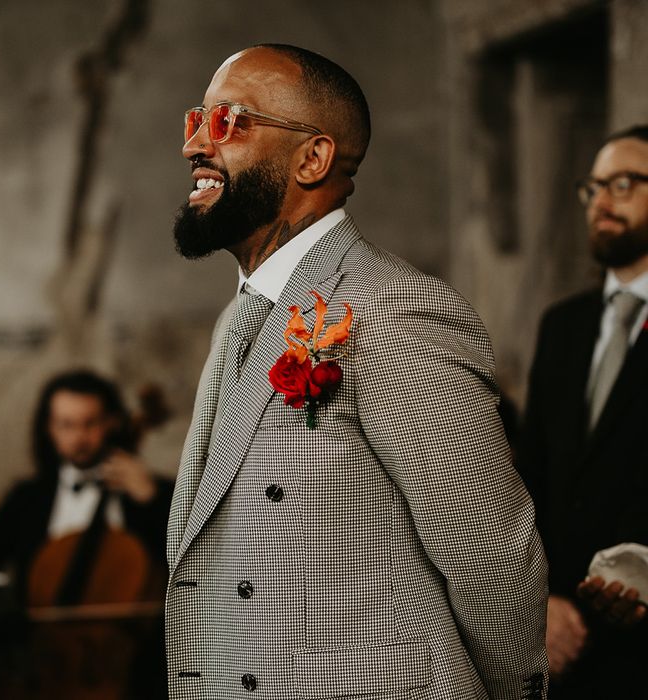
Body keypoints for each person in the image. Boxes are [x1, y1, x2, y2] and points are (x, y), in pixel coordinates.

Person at [166, 44, 548, 700]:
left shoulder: (395, 310)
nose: (196, 145)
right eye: (195, 121)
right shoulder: (238, 320)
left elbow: (490, 558)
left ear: (312, 159)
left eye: (229, 121)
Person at [520, 125, 648, 699]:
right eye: (593, 187)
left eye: (624, 183)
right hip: (561, 635)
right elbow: (532, 477)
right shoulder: (563, 325)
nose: (602, 200)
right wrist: (540, 600)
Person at [0, 369, 173, 600]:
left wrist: (152, 500)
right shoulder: (27, 498)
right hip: (39, 634)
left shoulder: (151, 493)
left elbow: (191, 566)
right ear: (49, 428)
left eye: (90, 423)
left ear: (112, 423)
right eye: (66, 424)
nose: (79, 437)